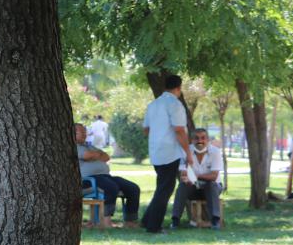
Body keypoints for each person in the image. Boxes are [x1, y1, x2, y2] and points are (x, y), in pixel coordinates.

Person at [141, 75, 194, 234]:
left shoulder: (153, 104)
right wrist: (188, 152)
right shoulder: (175, 104)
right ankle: (154, 226)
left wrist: (158, 134)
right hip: (170, 151)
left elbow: (146, 129)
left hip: (155, 150)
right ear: (179, 88)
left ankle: (146, 220)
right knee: (166, 189)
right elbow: (179, 130)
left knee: (162, 186)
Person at [75, 123, 140, 228]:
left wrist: (95, 155)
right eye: (81, 132)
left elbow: (106, 157)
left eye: (84, 132)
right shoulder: (73, 146)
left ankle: (130, 221)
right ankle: (105, 221)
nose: (84, 134)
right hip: (89, 180)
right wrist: (96, 155)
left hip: (105, 176)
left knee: (133, 188)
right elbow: (87, 155)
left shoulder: (89, 146)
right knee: (111, 187)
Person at [170, 128, 223, 230]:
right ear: (192, 140)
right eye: (196, 138)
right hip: (193, 188)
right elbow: (183, 174)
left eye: (203, 138)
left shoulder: (215, 152)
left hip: (213, 188)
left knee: (211, 184)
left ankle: (215, 221)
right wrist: (186, 178)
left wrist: (196, 176)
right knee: (182, 186)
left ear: (208, 139)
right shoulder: (186, 151)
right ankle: (175, 220)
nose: (200, 141)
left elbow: (214, 176)